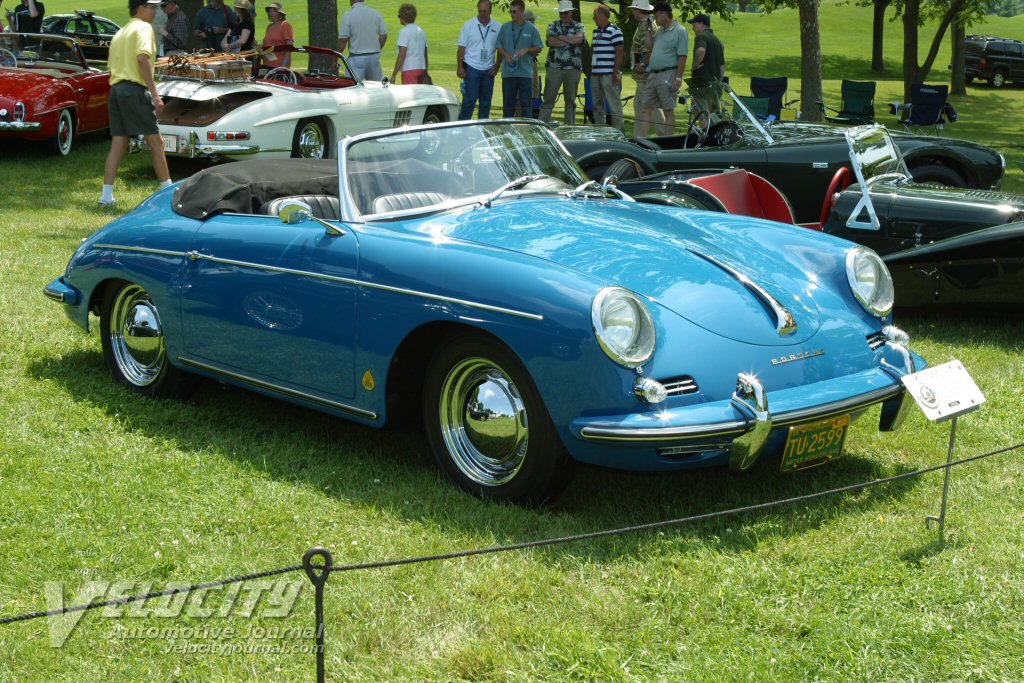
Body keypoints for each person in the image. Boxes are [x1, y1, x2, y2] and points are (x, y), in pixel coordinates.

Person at [99, 0, 172, 208]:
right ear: (141, 8)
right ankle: (168, 193)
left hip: (116, 90)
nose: (155, 11)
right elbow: (142, 59)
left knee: (119, 143)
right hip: (133, 89)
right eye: (153, 7)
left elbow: (112, 69)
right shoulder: (144, 28)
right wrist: (155, 94)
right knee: (156, 142)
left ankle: (106, 196)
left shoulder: (120, 32)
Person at [640, 2, 687, 136]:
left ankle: (667, 142)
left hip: (668, 74)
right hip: (653, 75)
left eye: (656, 15)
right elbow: (649, 47)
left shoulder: (680, 31)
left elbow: (682, 56)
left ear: (665, 14)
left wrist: (678, 78)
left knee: (668, 110)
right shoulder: (660, 31)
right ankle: (641, 140)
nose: (654, 18)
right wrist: (649, 29)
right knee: (645, 109)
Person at [539, 0, 583, 125]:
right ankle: (542, 126)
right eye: (561, 13)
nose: (563, 15)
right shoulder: (552, 25)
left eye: (566, 13)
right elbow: (551, 42)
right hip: (554, 67)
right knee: (548, 99)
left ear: (571, 13)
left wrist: (561, 37)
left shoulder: (579, 26)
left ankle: (569, 127)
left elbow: (579, 39)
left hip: (573, 68)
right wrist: (571, 40)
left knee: (570, 100)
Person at [456, 0, 500, 120]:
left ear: (490, 11)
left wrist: (497, 66)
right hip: (471, 67)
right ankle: (462, 127)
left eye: (485, 11)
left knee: (486, 102)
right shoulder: (468, 25)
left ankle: (482, 127)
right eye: (480, 10)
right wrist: (460, 66)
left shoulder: (497, 26)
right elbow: (461, 48)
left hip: (489, 69)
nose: (482, 13)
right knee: (470, 99)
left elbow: (500, 49)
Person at [496, 0, 541, 118]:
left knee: (526, 104)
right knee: (508, 105)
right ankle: (507, 129)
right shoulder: (505, 27)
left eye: (514, 12)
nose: (512, 14)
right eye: (510, 11)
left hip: (525, 73)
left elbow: (538, 48)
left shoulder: (531, 29)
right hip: (508, 73)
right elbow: (498, 45)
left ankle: (527, 128)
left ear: (521, 12)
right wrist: (506, 54)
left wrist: (526, 50)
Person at [628, 0, 664, 137]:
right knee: (639, 107)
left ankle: (665, 136)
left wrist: (642, 65)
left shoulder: (646, 26)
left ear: (638, 10)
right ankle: (639, 138)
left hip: (645, 76)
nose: (632, 12)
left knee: (651, 108)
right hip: (643, 77)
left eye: (633, 10)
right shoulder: (649, 23)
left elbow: (649, 49)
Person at [590, 3, 623, 131]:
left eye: (595, 15)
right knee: (597, 105)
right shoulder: (596, 31)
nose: (593, 18)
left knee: (614, 104)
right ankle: (601, 131)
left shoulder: (615, 31)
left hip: (609, 74)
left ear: (603, 15)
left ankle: (620, 131)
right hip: (596, 73)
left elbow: (619, 52)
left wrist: (615, 73)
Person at [687, 13, 725, 123]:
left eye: (693, 24)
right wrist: (718, 82)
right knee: (714, 117)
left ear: (701, 24)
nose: (692, 28)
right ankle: (713, 139)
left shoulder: (701, 36)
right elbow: (722, 67)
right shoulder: (718, 41)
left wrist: (695, 65)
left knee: (701, 115)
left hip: (701, 84)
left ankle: (703, 139)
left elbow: (701, 50)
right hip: (715, 86)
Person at [337, 0, 387, 82]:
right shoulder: (375, 13)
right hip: (374, 57)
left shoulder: (348, 15)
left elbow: (343, 40)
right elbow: (383, 36)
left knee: (352, 88)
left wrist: (335, 58)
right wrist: (376, 48)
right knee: (376, 88)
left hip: (356, 58)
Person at [391, 3, 427, 84]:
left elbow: (402, 55)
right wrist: (426, 69)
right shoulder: (421, 31)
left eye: (399, 16)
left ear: (403, 17)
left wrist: (394, 74)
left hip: (409, 69)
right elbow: (425, 52)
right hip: (421, 68)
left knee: (410, 95)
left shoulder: (404, 32)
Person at [261, 2, 294, 69]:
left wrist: (284, 64)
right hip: (267, 64)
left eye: (274, 11)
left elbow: (289, 47)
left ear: (280, 14)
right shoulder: (269, 27)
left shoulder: (285, 25)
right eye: (270, 11)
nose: (271, 13)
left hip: (280, 66)